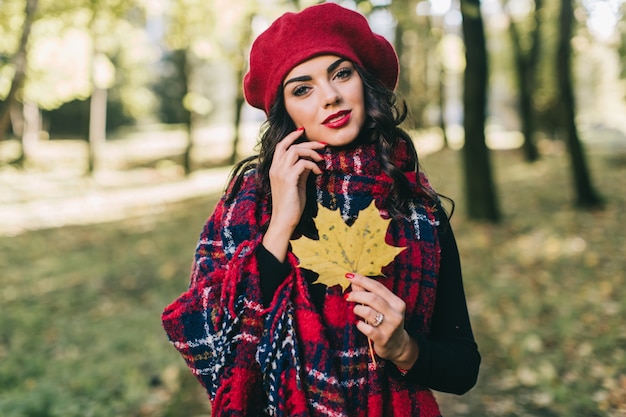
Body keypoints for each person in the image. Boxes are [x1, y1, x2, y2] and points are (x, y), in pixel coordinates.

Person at [162, 3, 480, 416]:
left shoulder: (417, 209)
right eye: (302, 88)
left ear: (364, 83)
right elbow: (204, 341)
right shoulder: (250, 202)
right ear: (285, 111)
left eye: (341, 73)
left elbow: (462, 367)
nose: (330, 96)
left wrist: (404, 348)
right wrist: (280, 225)